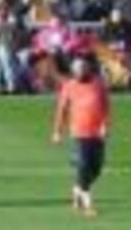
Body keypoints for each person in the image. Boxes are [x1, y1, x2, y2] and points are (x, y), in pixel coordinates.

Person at [51, 56, 110, 217]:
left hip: (97, 133)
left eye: (83, 69)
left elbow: (106, 106)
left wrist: (106, 125)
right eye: (77, 70)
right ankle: (88, 204)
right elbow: (62, 110)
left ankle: (77, 189)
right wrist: (57, 132)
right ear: (73, 71)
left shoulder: (98, 85)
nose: (80, 72)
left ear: (88, 69)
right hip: (79, 133)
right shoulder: (69, 86)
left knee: (96, 169)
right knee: (83, 165)